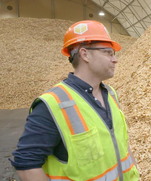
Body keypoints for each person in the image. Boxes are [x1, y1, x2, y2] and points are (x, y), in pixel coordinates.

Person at [10, 20, 139, 181]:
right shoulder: (53, 104)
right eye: (108, 52)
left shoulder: (111, 94)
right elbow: (27, 164)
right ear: (85, 54)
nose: (115, 60)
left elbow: (121, 142)